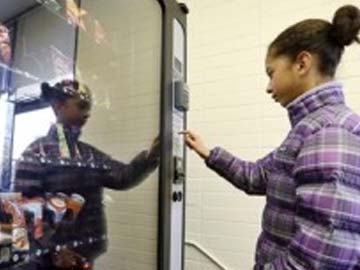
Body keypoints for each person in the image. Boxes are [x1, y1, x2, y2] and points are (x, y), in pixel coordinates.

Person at [182, 5, 360, 270]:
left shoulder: (329, 132)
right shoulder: (310, 128)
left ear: (302, 64)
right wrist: (207, 152)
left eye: (271, 73)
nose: (268, 87)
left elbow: (321, 258)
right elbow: (258, 176)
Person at [14, 79, 160, 269]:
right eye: (82, 105)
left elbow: (123, 177)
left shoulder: (87, 154)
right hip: (48, 263)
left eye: (89, 107)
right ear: (59, 106)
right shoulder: (35, 153)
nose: (88, 113)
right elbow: (23, 214)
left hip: (82, 258)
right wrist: (54, 250)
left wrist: (151, 156)